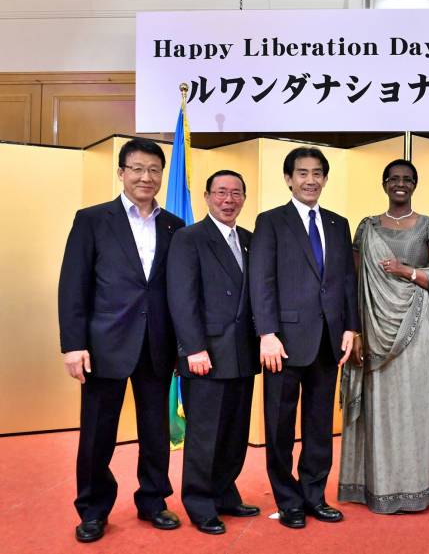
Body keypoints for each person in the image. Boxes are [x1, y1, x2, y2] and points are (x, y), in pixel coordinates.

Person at [58, 138, 185, 542]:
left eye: (154, 170)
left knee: (155, 431)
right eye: (137, 168)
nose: (146, 177)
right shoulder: (93, 219)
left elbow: (180, 292)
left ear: (162, 176)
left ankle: (153, 501)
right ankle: (92, 509)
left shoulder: (175, 226)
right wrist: (73, 344)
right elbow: (73, 286)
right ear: (121, 172)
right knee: (97, 433)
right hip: (104, 345)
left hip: (158, 345)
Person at [249, 147, 359, 529]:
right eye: (302, 173)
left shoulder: (337, 223)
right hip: (283, 343)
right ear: (288, 179)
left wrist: (350, 326)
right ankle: (288, 499)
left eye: (317, 173)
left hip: (329, 340)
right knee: (279, 427)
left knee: (318, 425)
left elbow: (347, 280)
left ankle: (315, 495)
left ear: (325, 179)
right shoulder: (270, 221)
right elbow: (261, 280)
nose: (310, 180)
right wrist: (267, 333)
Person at [338, 159, 429, 514]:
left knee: (416, 406)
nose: (400, 184)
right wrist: (355, 329)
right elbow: (355, 283)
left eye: (407, 179)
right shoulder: (367, 227)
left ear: (415, 185)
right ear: (384, 184)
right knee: (381, 407)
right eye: (394, 179)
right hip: (374, 328)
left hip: (419, 331)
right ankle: (378, 485)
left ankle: (421, 483)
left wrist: (406, 271)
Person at [166, 170, 260, 535]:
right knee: (205, 434)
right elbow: (181, 297)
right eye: (221, 192)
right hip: (205, 354)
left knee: (235, 432)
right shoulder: (189, 238)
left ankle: (225, 493)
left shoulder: (252, 240)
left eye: (236, 193)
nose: (228, 199)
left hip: (242, 353)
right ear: (206, 196)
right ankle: (200, 502)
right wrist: (193, 348)